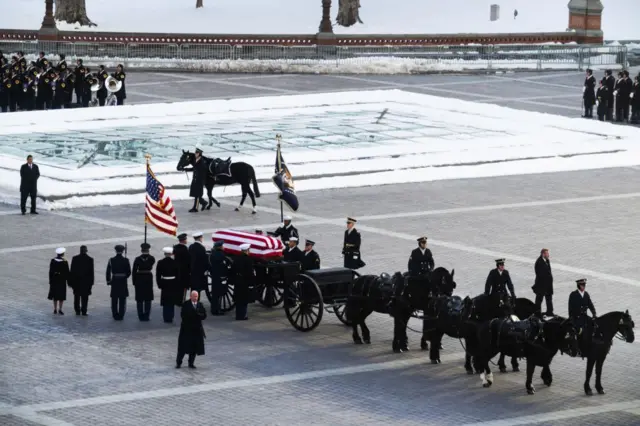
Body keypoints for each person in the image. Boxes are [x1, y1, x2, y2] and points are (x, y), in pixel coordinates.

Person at [176, 290, 207, 369]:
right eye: (194, 296)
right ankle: (179, 362)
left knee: (194, 348)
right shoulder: (186, 304)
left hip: (196, 330)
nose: (196, 298)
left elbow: (204, 315)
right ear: (191, 296)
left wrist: (198, 315)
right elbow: (183, 315)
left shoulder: (200, 305)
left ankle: (191, 363)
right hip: (187, 329)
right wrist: (193, 316)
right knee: (183, 348)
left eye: (197, 296)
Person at [568, 278, 597, 349]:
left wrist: (594, 313)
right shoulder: (573, 294)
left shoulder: (586, 294)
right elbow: (570, 307)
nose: (583, 287)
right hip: (576, 317)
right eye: (582, 285)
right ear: (578, 286)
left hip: (584, 316)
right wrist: (571, 318)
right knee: (580, 331)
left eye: (584, 285)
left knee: (593, 325)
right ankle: (578, 346)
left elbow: (590, 304)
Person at [156, 246, 182, 323]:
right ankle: (171, 317)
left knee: (165, 301)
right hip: (173, 283)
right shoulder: (175, 262)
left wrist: (159, 284)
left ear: (165, 254)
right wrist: (177, 284)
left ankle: (166, 317)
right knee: (171, 301)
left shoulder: (160, 262)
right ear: (171, 254)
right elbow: (178, 275)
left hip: (164, 282)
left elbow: (158, 275)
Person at [106, 244, 132, 320]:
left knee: (114, 299)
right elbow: (129, 272)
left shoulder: (111, 260)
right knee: (122, 299)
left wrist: (108, 281)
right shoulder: (126, 260)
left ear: (115, 250)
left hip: (114, 281)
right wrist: (124, 277)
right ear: (123, 251)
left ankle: (115, 314)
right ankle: (121, 315)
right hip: (123, 281)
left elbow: (108, 271)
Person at [132, 242, 156, 321]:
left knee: (140, 298)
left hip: (139, 278)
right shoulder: (151, 258)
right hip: (148, 277)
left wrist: (134, 281)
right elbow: (151, 264)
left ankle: (140, 315)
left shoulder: (137, 259)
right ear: (148, 250)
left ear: (141, 250)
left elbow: (134, 271)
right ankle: (146, 315)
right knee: (147, 298)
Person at [70, 245, 94, 316]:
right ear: (86, 251)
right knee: (85, 297)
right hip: (86, 282)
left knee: (76, 297)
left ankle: (77, 310)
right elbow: (91, 273)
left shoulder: (75, 258)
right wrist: (91, 282)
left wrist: (70, 282)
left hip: (76, 281)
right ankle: (84, 311)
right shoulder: (90, 259)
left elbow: (72, 271)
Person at [232, 243, 255, 320]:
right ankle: (243, 315)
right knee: (244, 300)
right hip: (244, 282)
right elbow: (250, 273)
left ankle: (238, 315)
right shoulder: (248, 259)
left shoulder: (236, 258)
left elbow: (233, 270)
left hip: (237, 281)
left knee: (238, 300)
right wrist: (251, 283)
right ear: (247, 250)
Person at [183, 147, 207, 213]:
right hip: (195, 179)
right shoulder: (196, 160)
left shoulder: (201, 161)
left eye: (197, 153)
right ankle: (204, 203)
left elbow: (202, 171)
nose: (195, 154)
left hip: (199, 180)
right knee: (195, 193)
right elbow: (194, 168)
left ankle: (195, 208)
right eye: (195, 153)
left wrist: (201, 179)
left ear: (199, 154)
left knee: (198, 194)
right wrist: (186, 169)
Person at [532, 248, 553, 316]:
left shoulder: (547, 260)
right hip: (541, 285)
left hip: (548, 285)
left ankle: (550, 312)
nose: (548, 255)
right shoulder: (539, 262)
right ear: (543, 254)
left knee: (549, 299)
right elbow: (539, 274)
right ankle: (537, 313)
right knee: (539, 300)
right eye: (547, 253)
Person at [48, 247, 69, 315]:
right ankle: (60, 309)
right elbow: (67, 272)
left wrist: (50, 280)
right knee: (61, 296)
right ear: (62, 254)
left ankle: (55, 309)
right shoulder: (65, 261)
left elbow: (50, 272)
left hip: (54, 280)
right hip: (61, 281)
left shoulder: (53, 260)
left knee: (55, 295)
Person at [208, 240, 227, 315]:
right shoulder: (221, 255)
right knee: (218, 294)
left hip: (214, 276)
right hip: (220, 277)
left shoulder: (212, 254)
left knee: (215, 294)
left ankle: (214, 309)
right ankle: (216, 310)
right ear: (220, 247)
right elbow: (224, 266)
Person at [189, 231, 208, 301]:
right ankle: (195, 306)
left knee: (193, 289)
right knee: (198, 290)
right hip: (199, 273)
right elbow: (205, 261)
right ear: (200, 238)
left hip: (192, 272)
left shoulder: (191, 247)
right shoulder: (201, 248)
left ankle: (192, 304)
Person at [173, 233, 191, 301]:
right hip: (184, 271)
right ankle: (182, 300)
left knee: (178, 286)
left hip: (177, 270)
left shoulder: (175, 247)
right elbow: (188, 261)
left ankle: (177, 299)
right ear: (183, 240)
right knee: (184, 287)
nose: (186, 240)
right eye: (186, 239)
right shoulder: (185, 249)